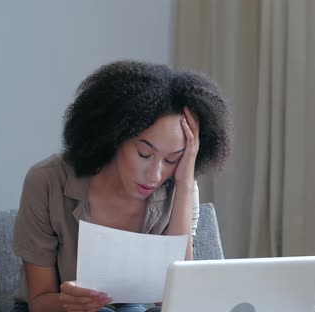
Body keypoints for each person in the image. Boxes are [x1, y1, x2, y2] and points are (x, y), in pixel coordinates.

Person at [12, 60, 232, 312]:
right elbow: (38, 301)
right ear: (114, 137)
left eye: (172, 159)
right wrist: (68, 302)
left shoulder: (180, 184)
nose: (155, 174)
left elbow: (176, 297)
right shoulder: (46, 180)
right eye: (144, 154)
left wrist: (184, 185)